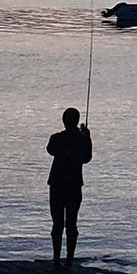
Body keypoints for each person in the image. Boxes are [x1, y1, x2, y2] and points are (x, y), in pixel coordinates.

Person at [45, 107, 92, 263]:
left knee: (57, 224)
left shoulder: (56, 138)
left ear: (63, 121)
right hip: (74, 185)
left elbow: (51, 149)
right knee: (71, 223)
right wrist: (86, 138)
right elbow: (86, 158)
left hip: (57, 185)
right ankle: (69, 259)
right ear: (77, 121)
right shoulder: (82, 140)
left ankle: (56, 258)